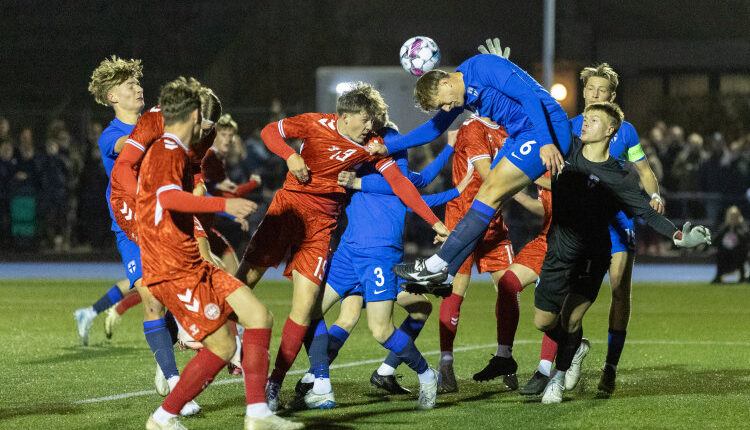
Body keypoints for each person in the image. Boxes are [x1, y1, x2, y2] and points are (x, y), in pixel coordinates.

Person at [236, 82, 450, 411]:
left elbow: (405, 184)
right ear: (346, 116)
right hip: (305, 219)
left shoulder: (378, 143)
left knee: (349, 321)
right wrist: (290, 154)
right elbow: (269, 132)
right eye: (366, 121)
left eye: (376, 121)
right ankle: (310, 375)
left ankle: (284, 382)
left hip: (349, 237)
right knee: (248, 283)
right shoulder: (316, 124)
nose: (371, 128)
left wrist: (436, 221)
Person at [137, 77, 300, 430]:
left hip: (191, 260)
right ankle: (163, 418)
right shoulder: (166, 148)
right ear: (196, 114)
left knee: (259, 316)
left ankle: (257, 415)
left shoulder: (178, 151)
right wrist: (223, 203)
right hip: (173, 267)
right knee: (224, 346)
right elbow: (167, 198)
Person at [533, 102, 711, 404]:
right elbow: (537, 111)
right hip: (559, 252)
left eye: (594, 120)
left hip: (592, 255)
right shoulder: (567, 148)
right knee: (543, 322)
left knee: (571, 321)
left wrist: (679, 236)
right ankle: (575, 349)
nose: (584, 124)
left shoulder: (618, 177)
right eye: (585, 118)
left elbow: (647, 211)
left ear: (611, 130)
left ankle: (558, 378)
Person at [295, 119, 471, 410]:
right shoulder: (355, 162)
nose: (370, 140)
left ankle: (426, 376)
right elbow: (416, 183)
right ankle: (319, 379)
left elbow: (412, 184)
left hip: (379, 255)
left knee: (380, 329)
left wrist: (454, 183)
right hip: (348, 252)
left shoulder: (387, 163)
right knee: (311, 312)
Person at [523, 63, 667, 397]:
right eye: (591, 89)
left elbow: (643, 170)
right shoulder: (571, 128)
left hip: (616, 225)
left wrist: (655, 194)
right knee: (563, 303)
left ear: (612, 96)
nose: (595, 95)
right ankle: (565, 357)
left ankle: (610, 369)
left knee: (619, 290)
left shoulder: (625, 131)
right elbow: (555, 173)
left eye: (603, 91)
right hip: (577, 227)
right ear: (584, 91)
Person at [390, 52, 572, 296]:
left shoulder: (481, 66)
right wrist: (390, 147)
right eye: (441, 107)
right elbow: (434, 128)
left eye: (443, 103)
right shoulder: (459, 92)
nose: (446, 108)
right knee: (486, 197)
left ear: (445, 82)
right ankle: (445, 273)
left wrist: (547, 141)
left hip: (544, 129)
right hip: (520, 135)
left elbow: (528, 95)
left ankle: (437, 266)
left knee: (490, 192)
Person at [431, 115, 518, 392]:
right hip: (463, 220)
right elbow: (489, 174)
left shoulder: (508, 128)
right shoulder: (472, 127)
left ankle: (504, 356)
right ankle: (446, 363)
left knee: (509, 287)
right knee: (455, 290)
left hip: (493, 222)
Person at [199, 113, 261, 275]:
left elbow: (223, 193)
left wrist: (234, 215)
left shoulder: (218, 161)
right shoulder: (206, 157)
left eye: (231, 135)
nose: (228, 139)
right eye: (224, 135)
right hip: (193, 226)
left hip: (208, 226)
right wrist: (254, 183)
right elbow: (198, 194)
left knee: (232, 273)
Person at [711, 205, 749, 284]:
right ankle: (718, 276)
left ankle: (742, 276)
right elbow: (715, 240)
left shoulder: (743, 226)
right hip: (726, 253)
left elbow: (746, 238)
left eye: (734, 216)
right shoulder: (725, 227)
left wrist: (735, 230)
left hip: (739, 253)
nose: (733, 218)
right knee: (720, 253)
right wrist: (727, 229)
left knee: (741, 253)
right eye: (731, 216)